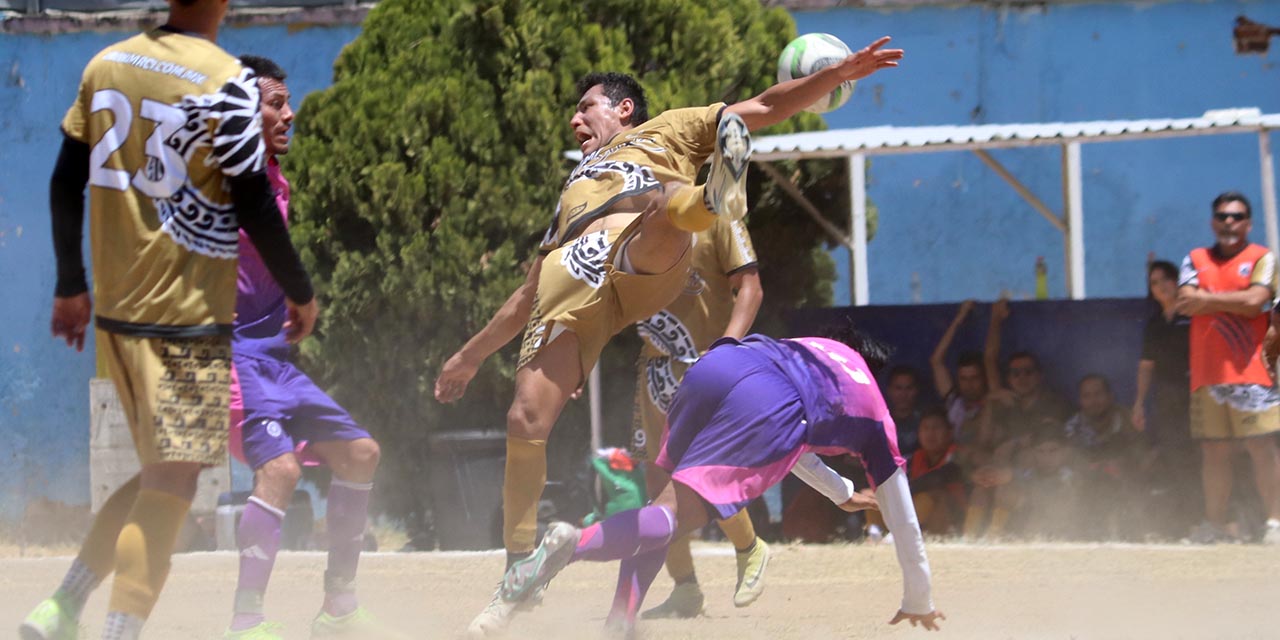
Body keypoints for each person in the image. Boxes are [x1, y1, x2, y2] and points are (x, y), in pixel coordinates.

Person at [433, 38, 904, 637]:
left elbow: (766, 105)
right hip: (576, 276)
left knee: (662, 206)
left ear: (624, 108)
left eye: (586, 107)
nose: (575, 120)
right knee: (524, 419)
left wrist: (835, 76)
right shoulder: (574, 186)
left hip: (651, 247)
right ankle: (517, 573)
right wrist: (468, 357)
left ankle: (711, 198)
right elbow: (526, 293)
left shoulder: (668, 130)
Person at [23, 1, 318, 637]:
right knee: (173, 487)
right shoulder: (226, 81)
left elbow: (64, 180)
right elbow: (254, 203)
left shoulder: (107, 64)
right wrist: (300, 291)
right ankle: (115, 629)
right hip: (186, 320)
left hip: (117, 318)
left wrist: (71, 285)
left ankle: (62, 607)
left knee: (161, 474)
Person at [497, 331, 944, 638]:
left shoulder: (816, 348)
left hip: (718, 365)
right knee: (673, 517)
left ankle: (620, 620)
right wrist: (918, 596)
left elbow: (795, 444)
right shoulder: (875, 409)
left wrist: (842, 493)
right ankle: (571, 544)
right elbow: (901, 514)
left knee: (662, 507)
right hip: (767, 400)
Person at [220, 55, 397, 640]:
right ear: (242, 110)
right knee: (281, 470)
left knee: (361, 454)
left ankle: (338, 607)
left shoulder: (277, 182)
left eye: (287, 102)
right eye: (275, 103)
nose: (289, 114)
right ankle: (246, 621)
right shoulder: (215, 179)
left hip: (276, 359)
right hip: (230, 358)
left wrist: (292, 302)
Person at [631, 216, 770, 618]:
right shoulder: (631, 218)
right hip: (654, 367)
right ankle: (685, 589)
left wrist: (727, 345)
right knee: (657, 483)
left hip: (706, 365)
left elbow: (751, 287)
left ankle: (750, 548)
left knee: (702, 476)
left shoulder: (718, 216)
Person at [1176, 191, 1280, 544]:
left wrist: (1206, 299)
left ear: (1248, 223)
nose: (1229, 223)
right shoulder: (1195, 258)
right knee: (1214, 452)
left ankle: (1275, 523)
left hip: (1253, 372)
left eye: (1236, 217)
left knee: (1261, 448)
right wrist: (1233, 300)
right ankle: (1215, 525)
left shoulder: (1263, 257)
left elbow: (1255, 302)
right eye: (1222, 216)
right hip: (1207, 373)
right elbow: (1185, 302)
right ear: (1212, 222)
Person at [928, 300, 987, 443]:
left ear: (984, 378)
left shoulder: (992, 404)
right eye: (964, 379)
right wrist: (959, 319)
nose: (969, 384)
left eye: (974, 378)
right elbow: (936, 361)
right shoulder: (954, 403)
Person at [885, 365, 924, 456]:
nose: (903, 394)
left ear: (916, 390)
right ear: (889, 390)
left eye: (909, 388)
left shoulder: (925, 421)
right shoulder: (879, 422)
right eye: (898, 388)